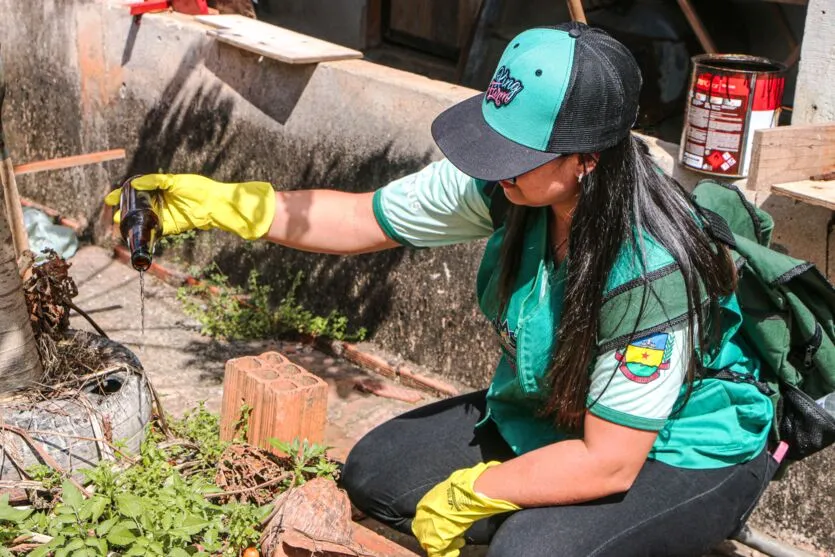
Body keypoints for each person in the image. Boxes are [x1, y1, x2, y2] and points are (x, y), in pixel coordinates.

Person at [105, 22, 776, 557]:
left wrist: (475, 489)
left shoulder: (648, 268)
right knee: (377, 472)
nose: (495, 167)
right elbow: (362, 218)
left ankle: (659, 523)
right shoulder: (515, 187)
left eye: (517, 157)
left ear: (587, 159)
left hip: (672, 448)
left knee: (529, 551)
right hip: (563, 413)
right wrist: (221, 204)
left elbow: (608, 462)